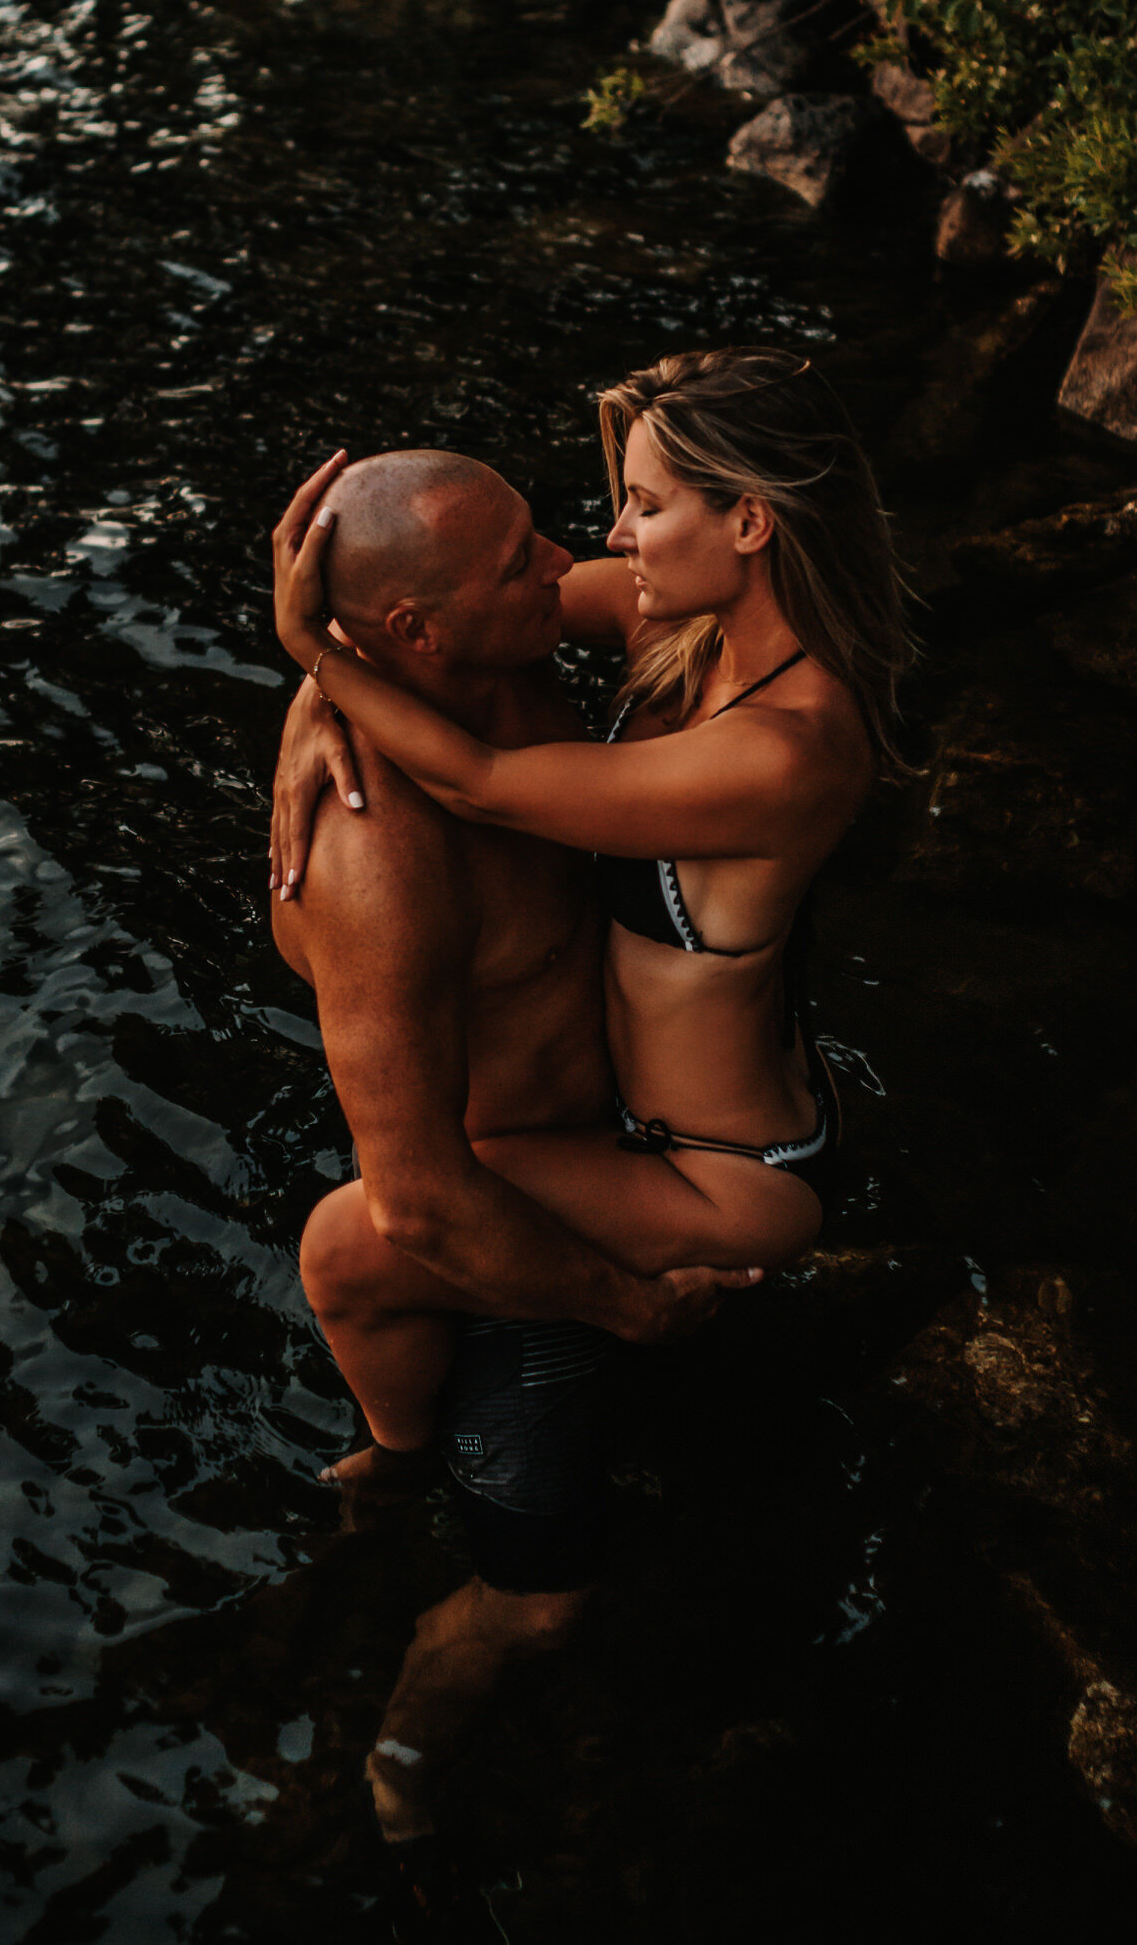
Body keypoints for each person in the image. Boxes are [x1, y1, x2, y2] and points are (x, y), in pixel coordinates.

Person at [270, 348, 913, 1499]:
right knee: (436, 1185)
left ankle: (396, 1471)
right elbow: (434, 624)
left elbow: (471, 777)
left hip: (722, 1172)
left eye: (649, 505)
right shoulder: (686, 622)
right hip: (674, 1107)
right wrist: (314, 705)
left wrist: (309, 650)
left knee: (348, 1242)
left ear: (752, 524)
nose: (609, 536)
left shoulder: (785, 748)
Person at [265, 444, 760, 1899]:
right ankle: (406, 1748)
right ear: (415, 634)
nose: (567, 563)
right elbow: (420, 1198)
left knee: (407, 1402)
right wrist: (627, 1303)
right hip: (500, 1209)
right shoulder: (379, 849)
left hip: (567, 1158)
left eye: (542, 537)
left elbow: (693, 580)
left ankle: (386, 1473)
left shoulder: (500, 658)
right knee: (544, 1608)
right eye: (521, 562)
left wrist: (311, 677)